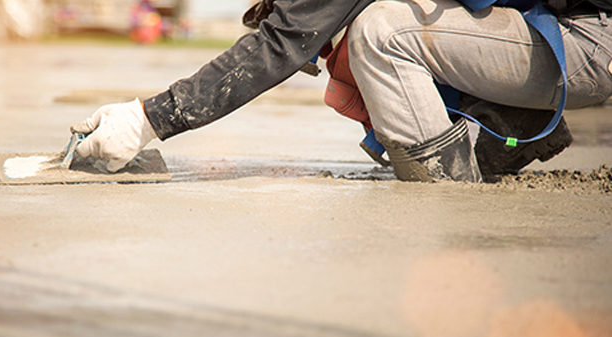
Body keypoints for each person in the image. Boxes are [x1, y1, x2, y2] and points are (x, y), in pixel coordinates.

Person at [69, 0, 612, 182]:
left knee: (381, 30)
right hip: (553, 40)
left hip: (588, 40)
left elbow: (281, 44)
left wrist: (148, 119)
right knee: (351, 59)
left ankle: (451, 183)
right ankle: (501, 131)